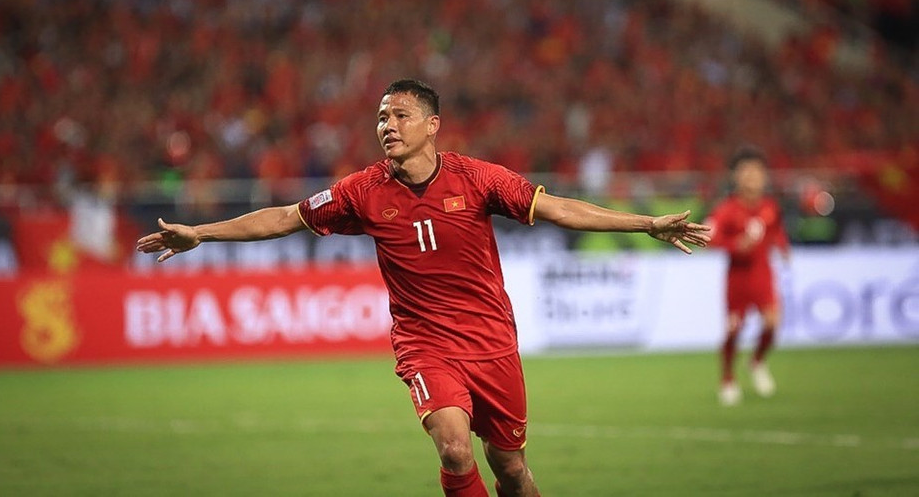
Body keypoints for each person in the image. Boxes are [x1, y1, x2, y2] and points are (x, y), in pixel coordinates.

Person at [136, 79, 712, 497]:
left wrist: (646, 223)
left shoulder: (479, 179)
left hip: (492, 342)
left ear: (432, 125)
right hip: (424, 345)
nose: (388, 126)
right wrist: (201, 234)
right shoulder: (362, 190)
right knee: (455, 449)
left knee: (509, 466)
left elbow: (559, 207)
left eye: (402, 115)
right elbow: (285, 217)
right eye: (382, 117)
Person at [706, 146, 790, 407]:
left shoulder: (770, 207)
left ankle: (756, 361)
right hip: (738, 278)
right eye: (747, 172)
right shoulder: (726, 210)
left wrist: (784, 247)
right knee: (733, 331)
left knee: (772, 324)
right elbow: (710, 238)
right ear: (736, 177)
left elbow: (776, 231)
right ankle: (728, 379)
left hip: (763, 274)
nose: (753, 177)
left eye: (757, 172)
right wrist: (735, 245)